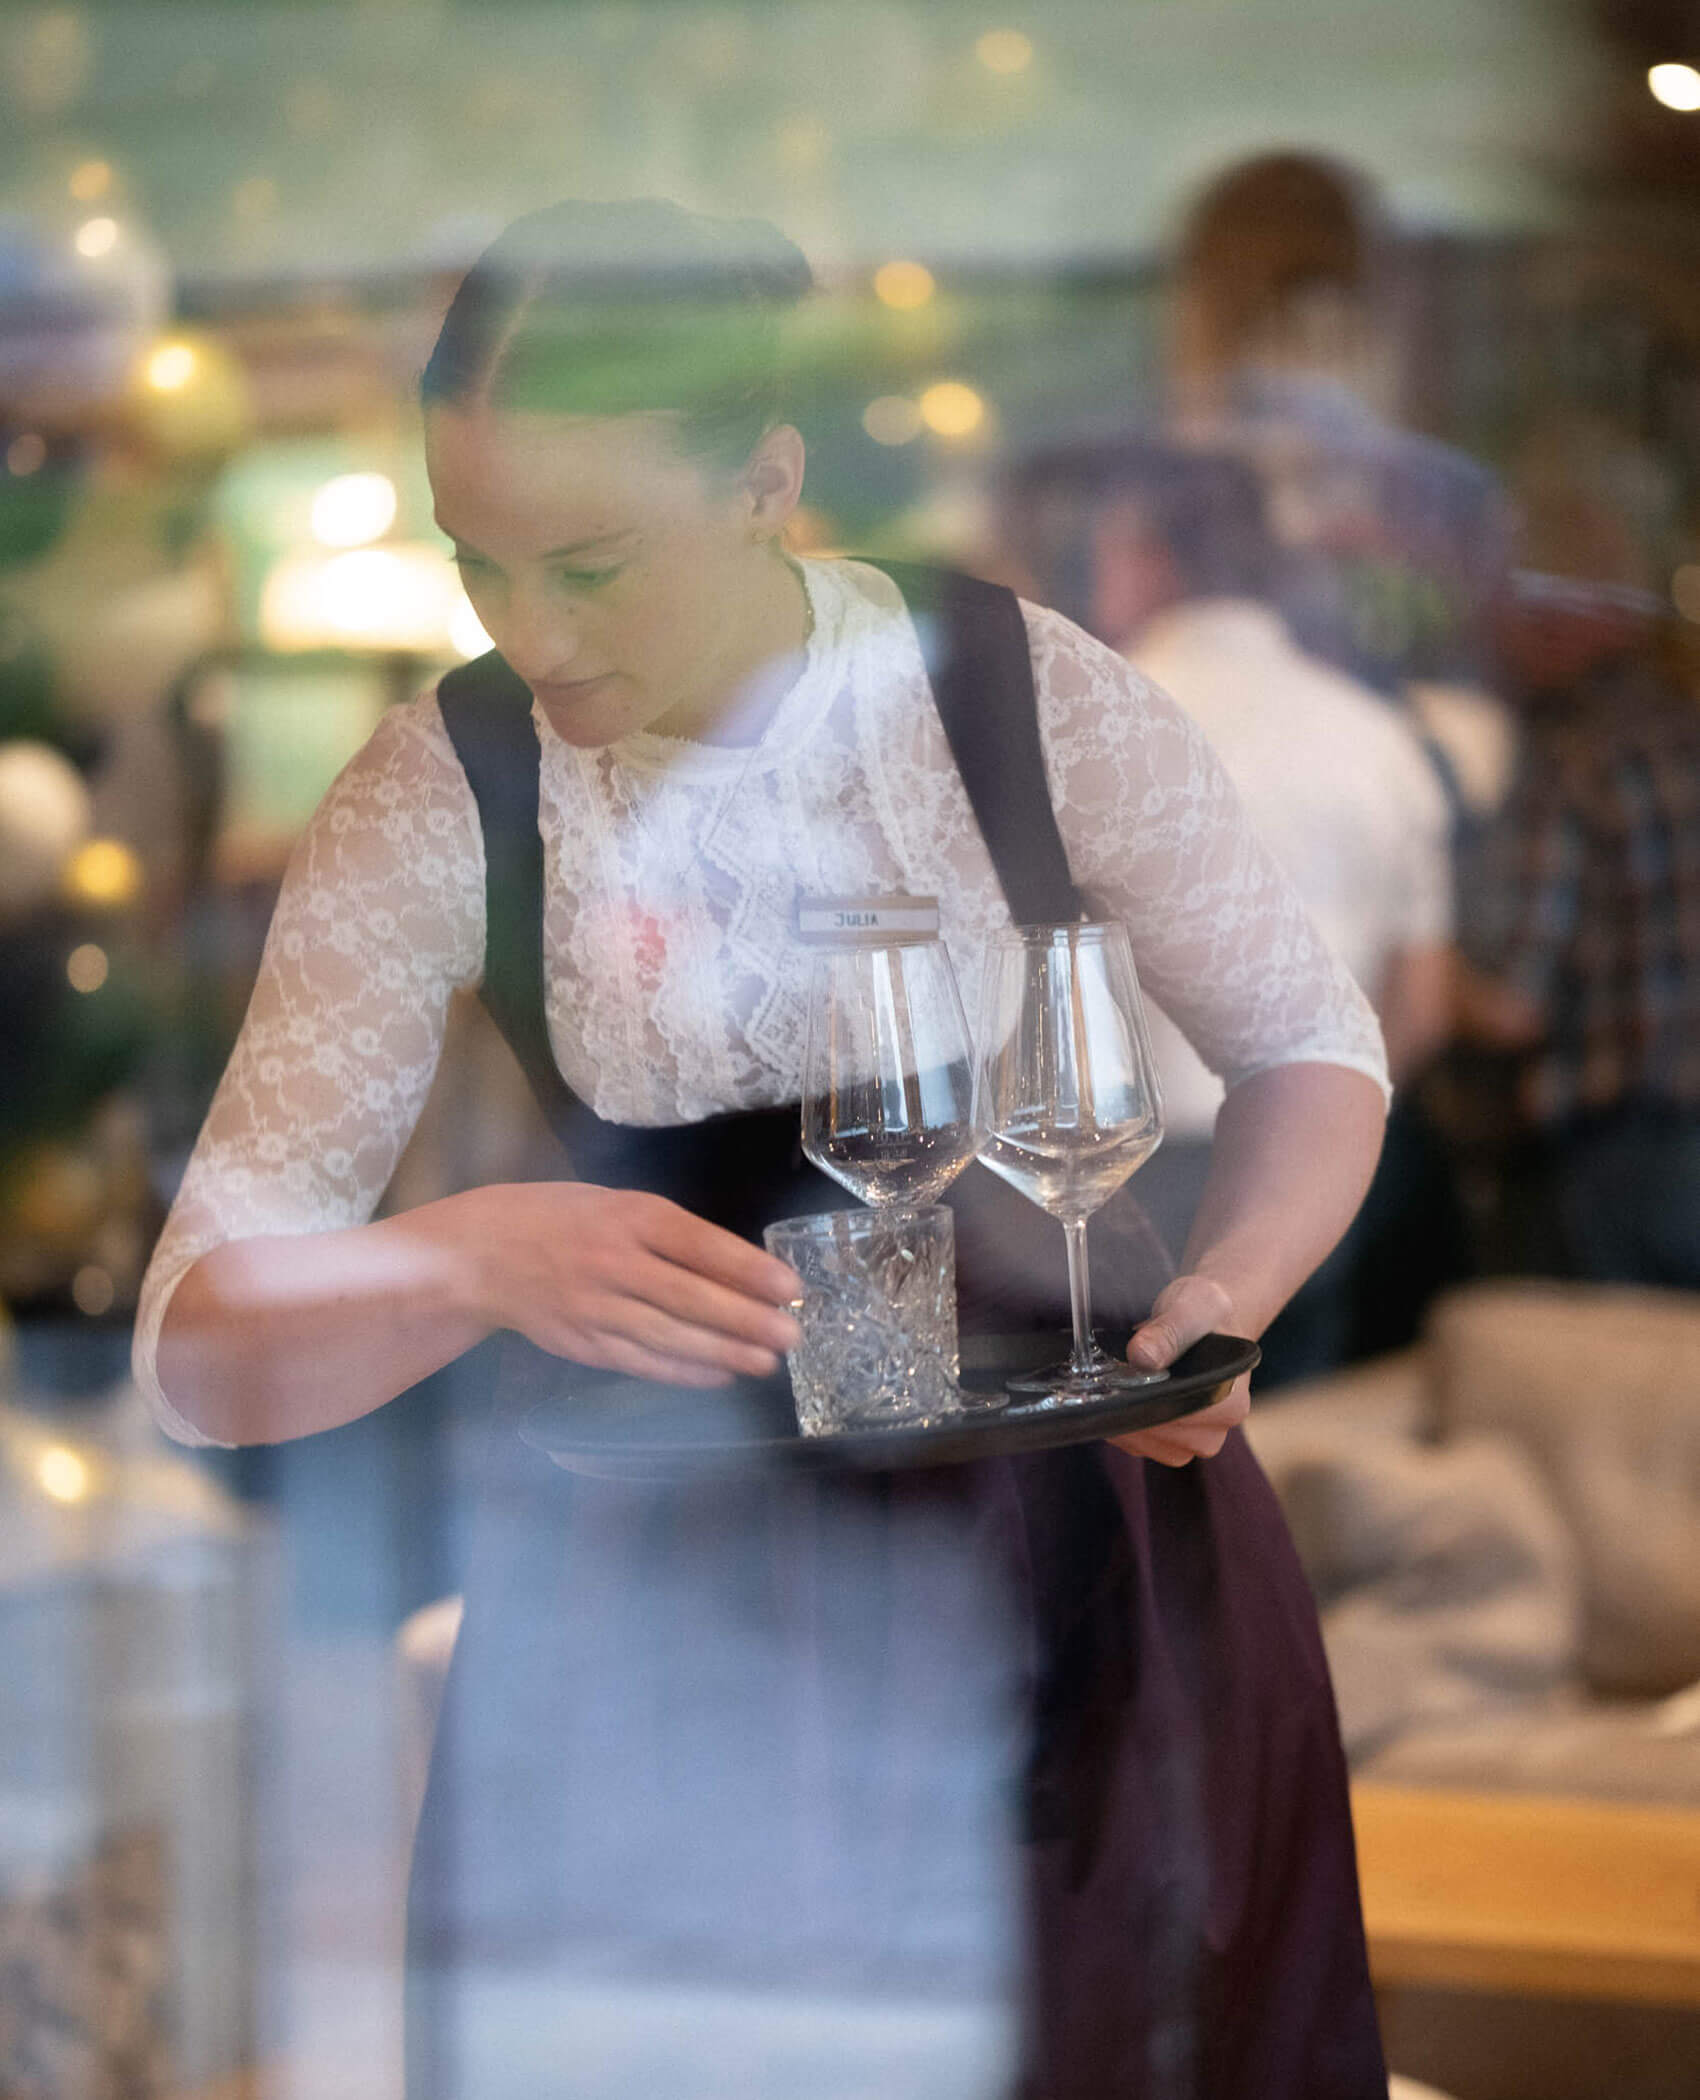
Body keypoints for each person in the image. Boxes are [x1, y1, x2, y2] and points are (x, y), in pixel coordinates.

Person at [132, 200, 1391, 2098]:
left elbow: (1308, 1041)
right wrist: (465, 1257)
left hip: (1078, 1554)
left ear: (768, 483)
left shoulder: (1010, 686)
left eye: (590, 560)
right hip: (663, 1619)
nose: (528, 629)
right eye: (478, 557)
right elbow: (195, 1349)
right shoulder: (440, 788)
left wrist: (1222, 1298)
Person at [1072, 440, 1458, 1382]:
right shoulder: (1379, 737)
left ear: (1141, 555)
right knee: (1287, 1446)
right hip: (1316, 1173)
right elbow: (1424, 1000)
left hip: (1103, 1177)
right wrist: (1322, 1128)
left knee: (1120, 1471)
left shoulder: (1084, 715)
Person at [1455, 626, 1700, 1290]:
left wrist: (1422, 972)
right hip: (1659, 1139)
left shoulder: (1574, 758)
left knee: (1605, 1379)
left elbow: (1512, 1005)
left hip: (1625, 1148)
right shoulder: (1686, 731)